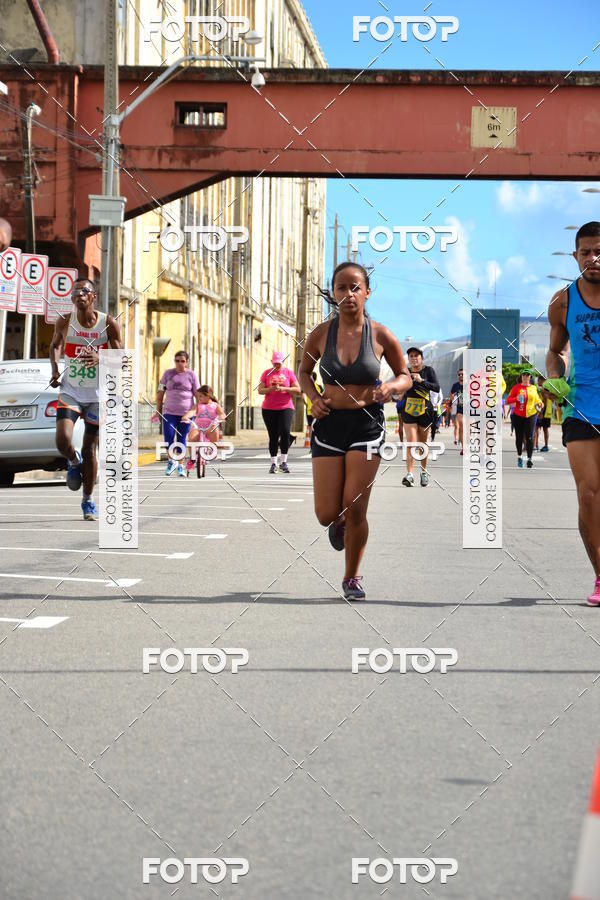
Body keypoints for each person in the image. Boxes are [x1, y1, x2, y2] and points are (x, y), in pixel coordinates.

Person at [299, 261, 411, 601]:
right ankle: (340, 523)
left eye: (354, 288)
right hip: (329, 425)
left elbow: (405, 375)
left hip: (367, 425)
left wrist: (391, 387)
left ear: (366, 292)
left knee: (356, 505)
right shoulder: (321, 334)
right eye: (341, 288)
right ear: (333, 293)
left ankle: (351, 577)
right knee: (326, 514)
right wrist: (314, 398)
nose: (348, 294)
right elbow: (303, 372)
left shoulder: (380, 334)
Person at [545, 220, 600, 606]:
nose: (594, 259)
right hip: (581, 407)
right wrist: (554, 377)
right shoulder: (562, 301)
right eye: (586, 253)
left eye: (599, 251)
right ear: (575, 256)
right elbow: (555, 351)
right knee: (589, 495)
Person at [49, 278, 122, 520]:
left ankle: (88, 500)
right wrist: (55, 369)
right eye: (76, 292)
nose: (79, 295)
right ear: (72, 299)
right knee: (62, 439)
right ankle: (72, 460)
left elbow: (121, 358)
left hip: (98, 395)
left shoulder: (107, 323)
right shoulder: (65, 321)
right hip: (71, 390)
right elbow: (55, 345)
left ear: (93, 296)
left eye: (85, 291)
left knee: (90, 447)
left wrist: (101, 357)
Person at [155, 351, 201, 477]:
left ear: (187, 362)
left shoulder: (192, 375)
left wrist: (196, 411)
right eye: (177, 361)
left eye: (182, 361)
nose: (179, 363)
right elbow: (160, 393)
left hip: (186, 413)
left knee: (181, 439)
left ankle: (180, 465)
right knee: (168, 437)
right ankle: (171, 461)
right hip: (169, 412)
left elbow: (198, 396)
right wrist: (157, 411)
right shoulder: (167, 374)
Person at [399, 348, 440, 487]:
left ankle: (423, 472)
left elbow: (436, 387)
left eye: (417, 356)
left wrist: (421, 380)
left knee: (423, 444)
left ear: (422, 358)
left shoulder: (429, 371)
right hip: (409, 410)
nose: (414, 358)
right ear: (408, 358)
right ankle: (409, 475)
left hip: (425, 411)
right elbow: (398, 386)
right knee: (411, 443)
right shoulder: (404, 371)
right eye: (411, 356)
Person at [258, 350, 301, 473]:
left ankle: (284, 462)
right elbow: (260, 390)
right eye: (275, 363)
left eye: (279, 363)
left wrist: (284, 388)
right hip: (269, 408)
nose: (277, 366)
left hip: (286, 407)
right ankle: (273, 464)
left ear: (283, 362)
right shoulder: (266, 373)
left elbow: (298, 389)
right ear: (272, 362)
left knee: (285, 432)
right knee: (273, 436)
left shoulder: (288, 373)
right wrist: (271, 388)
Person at [505, 370, 543, 468]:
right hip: (518, 415)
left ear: (530, 377)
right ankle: (520, 456)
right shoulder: (516, 387)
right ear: (521, 377)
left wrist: (540, 403)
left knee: (530, 437)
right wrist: (516, 399)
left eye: (527, 375)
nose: (525, 376)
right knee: (519, 437)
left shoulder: (534, 388)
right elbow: (508, 400)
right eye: (524, 375)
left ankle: (529, 459)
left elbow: (537, 399)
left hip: (531, 415)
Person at [184, 385, 225, 472]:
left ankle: (213, 450)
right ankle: (192, 458)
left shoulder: (215, 405)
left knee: (215, 431)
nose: (198, 398)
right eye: (198, 396)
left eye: (201, 396)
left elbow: (222, 414)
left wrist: (220, 419)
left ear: (208, 395)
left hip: (210, 426)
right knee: (191, 438)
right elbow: (192, 412)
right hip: (198, 427)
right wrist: (186, 417)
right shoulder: (198, 405)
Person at [303, 372, 322, 452]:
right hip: (318, 410)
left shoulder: (306, 386)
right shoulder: (319, 387)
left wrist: (307, 404)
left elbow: (302, 397)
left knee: (310, 427)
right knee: (319, 427)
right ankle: (319, 444)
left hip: (309, 411)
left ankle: (311, 446)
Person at [534, 374, 552, 452]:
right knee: (545, 429)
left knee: (537, 428)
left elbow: (544, 401)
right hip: (548, 412)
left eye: (539, 380)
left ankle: (536, 444)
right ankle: (545, 445)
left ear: (543, 381)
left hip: (543, 412)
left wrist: (541, 412)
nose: (537, 382)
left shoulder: (543, 389)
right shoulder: (549, 389)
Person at [449, 368, 464, 454]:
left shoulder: (470, 384)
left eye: (462, 374)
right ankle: (463, 447)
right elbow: (451, 394)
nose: (461, 376)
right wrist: (453, 399)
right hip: (460, 408)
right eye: (459, 374)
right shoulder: (455, 385)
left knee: (468, 429)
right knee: (461, 426)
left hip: (470, 408)